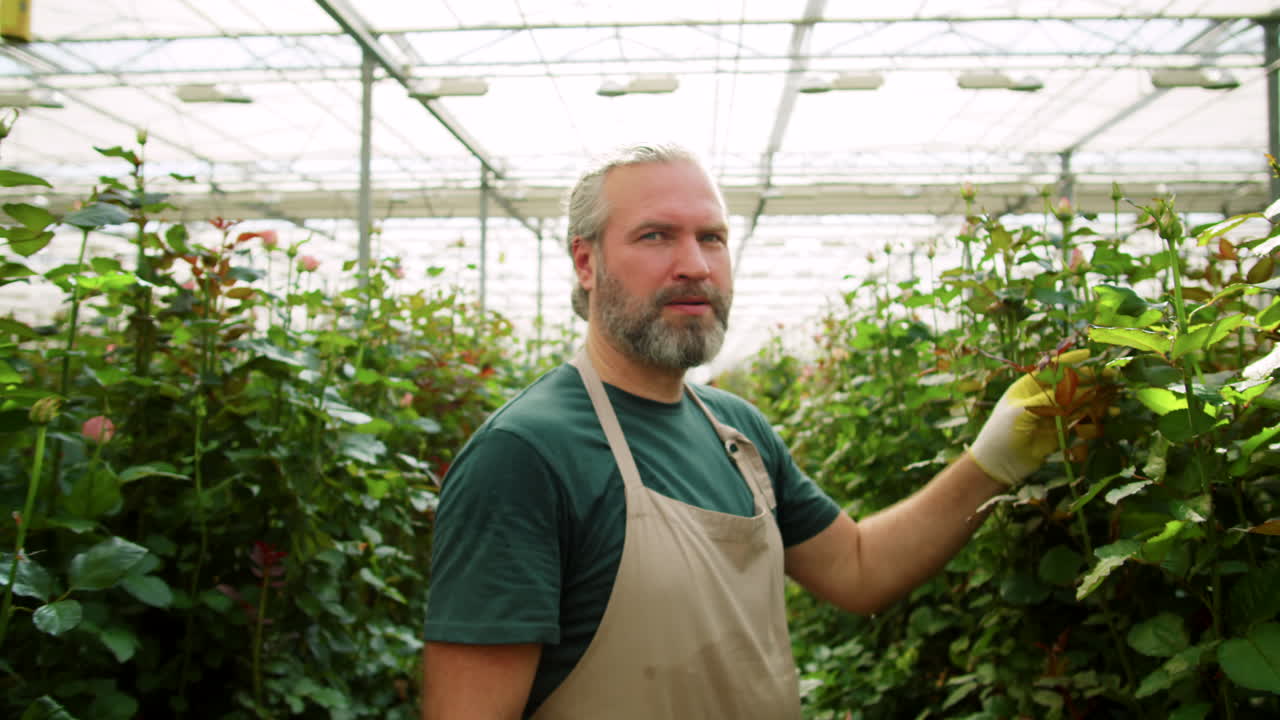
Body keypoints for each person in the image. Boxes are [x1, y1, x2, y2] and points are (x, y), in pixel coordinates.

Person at [421, 143, 1083, 720]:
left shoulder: (736, 431)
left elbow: (857, 569)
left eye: (711, 238)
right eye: (656, 236)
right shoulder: (527, 455)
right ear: (586, 263)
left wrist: (996, 457)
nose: (695, 265)